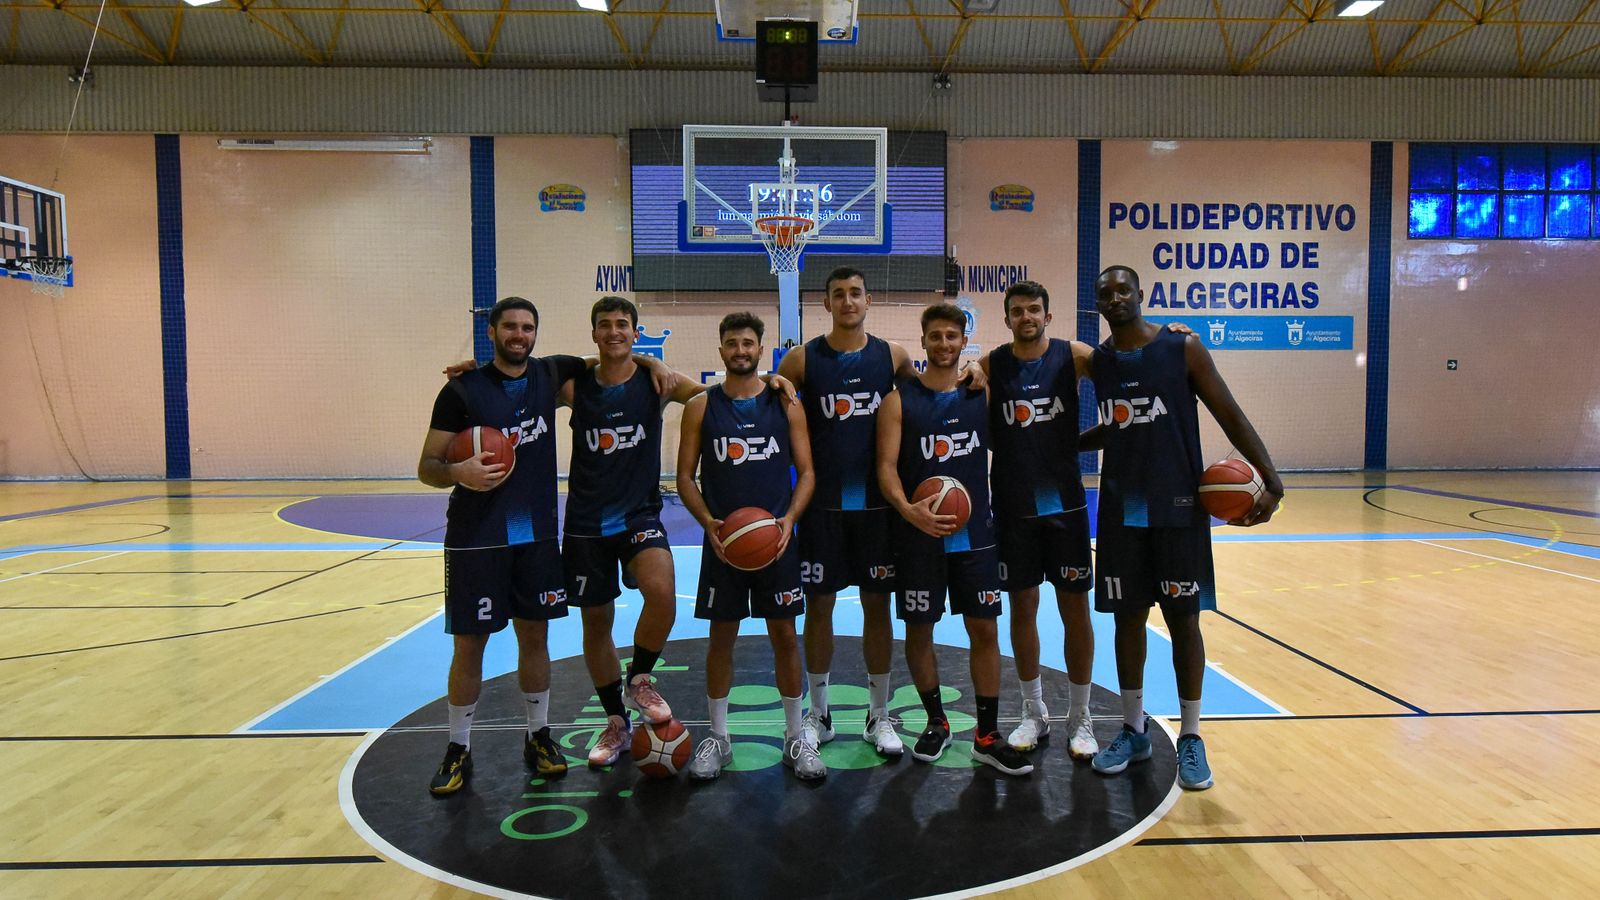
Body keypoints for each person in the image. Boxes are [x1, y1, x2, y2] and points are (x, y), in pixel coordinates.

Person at [1083, 265, 1283, 792]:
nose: (1115, 298)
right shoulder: (1100, 361)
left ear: (1141, 294)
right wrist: (1067, 444)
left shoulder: (1182, 347)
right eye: (1105, 293)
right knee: (1127, 621)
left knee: (1183, 621)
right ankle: (1134, 729)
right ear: (1097, 303)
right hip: (1122, 511)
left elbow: (1229, 413)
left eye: (1123, 289)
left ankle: (1192, 735)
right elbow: (1121, 423)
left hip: (1177, 510)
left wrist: (1271, 479)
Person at [776, 266, 980, 759]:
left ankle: (878, 715)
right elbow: (771, 394)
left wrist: (976, 369)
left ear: (869, 301)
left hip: (878, 507)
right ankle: (820, 714)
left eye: (856, 293)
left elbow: (931, 392)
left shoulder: (893, 356)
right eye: (838, 294)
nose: (848, 301)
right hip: (823, 507)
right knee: (819, 608)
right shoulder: (802, 359)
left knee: (877, 607)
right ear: (826, 303)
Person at [980, 281, 1190, 760]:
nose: (1026, 317)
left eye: (1034, 309)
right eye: (1018, 311)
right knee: (1022, 609)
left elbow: (1132, 366)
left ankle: (1080, 716)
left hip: (1066, 507)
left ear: (1048, 316)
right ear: (1007, 318)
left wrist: (1167, 337)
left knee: (1074, 610)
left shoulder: (1074, 355)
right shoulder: (992, 363)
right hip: (1013, 505)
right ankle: (1033, 712)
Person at [417, 296, 583, 795]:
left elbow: (613, 358)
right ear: (491, 332)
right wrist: (457, 471)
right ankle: (458, 746)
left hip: (534, 535)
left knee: (535, 639)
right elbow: (427, 466)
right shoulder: (461, 390)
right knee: (470, 645)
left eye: (527, 327)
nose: (519, 335)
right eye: (510, 326)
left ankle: (538, 736)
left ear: (536, 333)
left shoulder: (550, 375)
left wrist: (655, 362)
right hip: (477, 538)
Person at [874, 303, 1034, 776]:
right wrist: (908, 510)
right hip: (919, 535)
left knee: (984, 630)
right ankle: (936, 722)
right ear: (923, 341)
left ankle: (987, 735)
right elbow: (885, 467)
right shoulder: (898, 401)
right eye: (936, 336)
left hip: (975, 535)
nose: (944, 344)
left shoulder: (980, 395)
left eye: (952, 336)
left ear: (964, 342)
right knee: (919, 630)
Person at [675, 312, 823, 781]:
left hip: (775, 542)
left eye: (748, 343)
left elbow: (808, 472)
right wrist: (708, 524)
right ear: (721, 350)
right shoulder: (701, 406)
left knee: (785, 636)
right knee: (721, 638)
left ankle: (795, 736)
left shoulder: (785, 403)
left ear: (761, 349)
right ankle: (719, 738)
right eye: (732, 343)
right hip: (724, 544)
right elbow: (684, 477)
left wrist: (789, 521)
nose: (740, 350)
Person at [561, 296, 707, 768]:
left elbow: (714, 396)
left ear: (635, 331)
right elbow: (521, 381)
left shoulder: (657, 383)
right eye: (604, 325)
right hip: (586, 522)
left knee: (662, 594)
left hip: (639, 516)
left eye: (622, 324)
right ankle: (616, 724)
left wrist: (774, 382)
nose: (613, 332)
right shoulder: (576, 385)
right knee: (596, 622)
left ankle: (639, 680)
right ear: (594, 334)